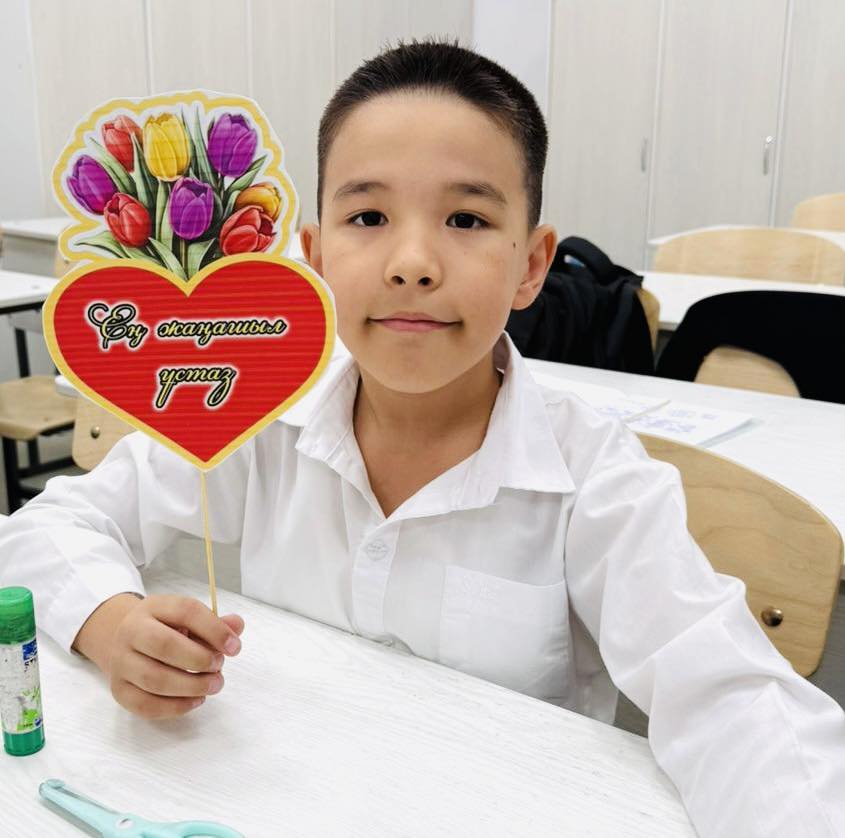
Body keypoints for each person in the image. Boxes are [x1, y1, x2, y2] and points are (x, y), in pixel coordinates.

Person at [1, 38, 843, 836]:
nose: (412, 262)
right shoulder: (252, 412)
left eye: (466, 220)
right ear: (315, 254)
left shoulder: (593, 473)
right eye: (367, 215)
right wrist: (108, 622)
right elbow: (47, 528)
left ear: (531, 265)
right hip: (265, 795)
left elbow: (733, 700)